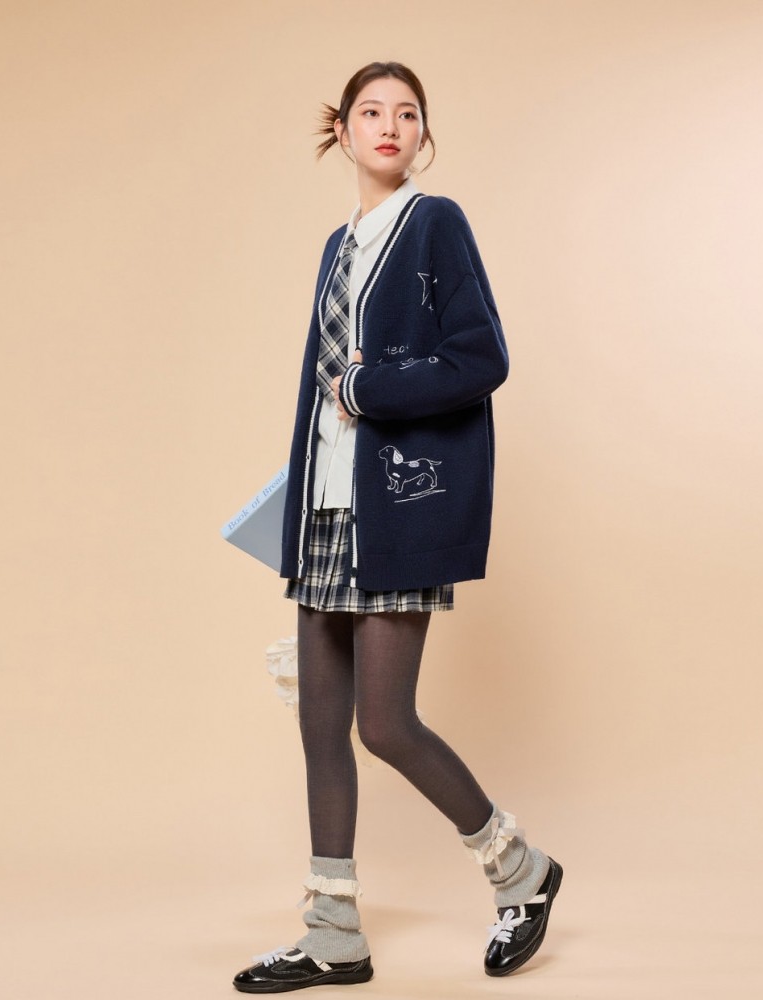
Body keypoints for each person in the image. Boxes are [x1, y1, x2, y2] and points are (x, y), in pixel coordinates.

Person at [233, 61, 562, 993]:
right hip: (328, 507)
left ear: (422, 134)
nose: (390, 125)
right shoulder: (338, 245)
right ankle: (333, 933)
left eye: (407, 113)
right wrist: (295, 501)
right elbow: (317, 396)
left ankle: (521, 871)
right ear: (341, 130)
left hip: (398, 505)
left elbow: (481, 357)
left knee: (384, 724)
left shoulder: (434, 223)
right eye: (371, 112)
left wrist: (371, 387)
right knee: (320, 725)